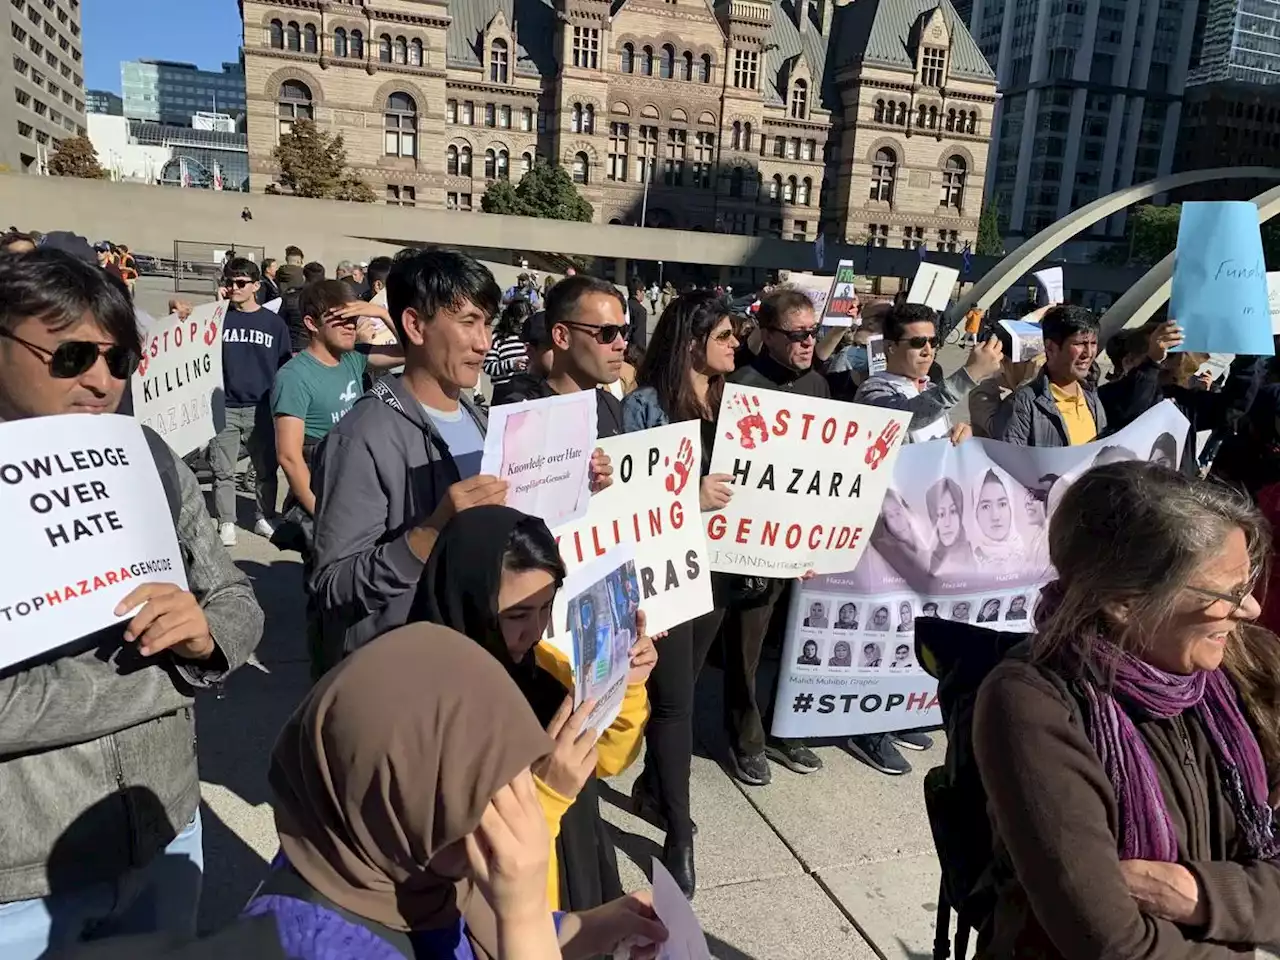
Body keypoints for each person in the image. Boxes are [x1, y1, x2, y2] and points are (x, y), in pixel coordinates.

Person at [0, 250, 263, 958]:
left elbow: (236, 598)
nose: (100, 380)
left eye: (120, 362)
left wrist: (206, 638)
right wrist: (166, 680)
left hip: (166, 835)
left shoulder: (147, 455)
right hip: (21, 882)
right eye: (72, 356)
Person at [974, 462, 1280, 958]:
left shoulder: (1249, 666)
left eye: (1247, 586)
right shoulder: (1032, 702)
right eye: (1227, 594)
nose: (1250, 611)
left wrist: (1204, 896)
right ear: (1124, 602)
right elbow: (1113, 944)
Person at [243, 623, 666, 960]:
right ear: (397, 802)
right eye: (479, 797)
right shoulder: (318, 946)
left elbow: (475, 926)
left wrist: (599, 927)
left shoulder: (386, 857)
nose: (505, 814)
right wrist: (521, 916)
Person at [308, 249, 612, 666]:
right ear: (414, 325)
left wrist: (573, 483)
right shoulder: (362, 437)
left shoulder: (483, 422)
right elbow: (332, 587)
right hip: (407, 671)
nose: (483, 342)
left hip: (481, 660)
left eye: (487, 323)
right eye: (468, 322)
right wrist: (430, 532)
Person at [406, 506, 654, 914]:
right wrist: (546, 793)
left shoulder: (545, 667)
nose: (536, 630)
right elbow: (446, 859)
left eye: (546, 607)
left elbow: (608, 759)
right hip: (502, 914)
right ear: (469, 598)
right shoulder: (423, 703)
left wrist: (628, 686)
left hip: (573, 882)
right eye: (517, 615)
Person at [619, 291, 737, 895]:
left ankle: (652, 787)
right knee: (672, 704)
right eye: (723, 335)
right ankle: (679, 832)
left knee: (683, 688)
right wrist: (691, 499)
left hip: (722, 572)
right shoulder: (645, 407)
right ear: (692, 341)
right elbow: (629, 502)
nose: (735, 344)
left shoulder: (737, 407)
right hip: (668, 573)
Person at [717, 287, 832, 787]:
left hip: (801, 540)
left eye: (814, 333)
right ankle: (745, 739)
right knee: (746, 646)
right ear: (766, 334)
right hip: (752, 542)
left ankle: (785, 728)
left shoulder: (818, 385)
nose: (809, 342)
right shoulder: (741, 386)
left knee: (791, 642)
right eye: (798, 334)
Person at [271, 280, 405, 520]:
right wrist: (320, 512)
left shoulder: (354, 358)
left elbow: (411, 352)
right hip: (324, 490)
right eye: (339, 319)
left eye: (352, 318)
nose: (350, 326)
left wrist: (380, 313)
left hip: (355, 485)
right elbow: (289, 457)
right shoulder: (293, 377)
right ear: (312, 324)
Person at [208, 257, 292, 546]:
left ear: (256, 285)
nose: (234, 288)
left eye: (241, 283)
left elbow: (284, 367)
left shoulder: (274, 324)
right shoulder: (216, 319)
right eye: (229, 282)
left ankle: (262, 517)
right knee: (223, 471)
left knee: (266, 470)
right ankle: (226, 521)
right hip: (225, 406)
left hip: (261, 408)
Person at [493, 275, 628, 439]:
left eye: (624, 332)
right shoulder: (521, 415)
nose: (621, 344)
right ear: (562, 337)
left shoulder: (612, 406)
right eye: (608, 333)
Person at [854, 302, 1003, 444]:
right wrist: (970, 374)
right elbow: (906, 417)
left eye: (933, 342)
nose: (928, 351)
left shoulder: (930, 388)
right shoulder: (872, 390)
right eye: (917, 343)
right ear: (890, 347)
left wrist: (958, 434)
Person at [994, 305, 1107, 447]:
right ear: (1050, 347)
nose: (1088, 353)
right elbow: (1008, 462)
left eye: (1093, 343)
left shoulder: (1092, 399)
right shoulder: (1022, 405)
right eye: (1079, 344)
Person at [972, 469, 1026, 571]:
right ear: (975, 512)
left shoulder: (1030, 557)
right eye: (986, 507)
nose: (995, 516)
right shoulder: (968, 563)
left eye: (1002, 504)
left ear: (1011, 507)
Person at [927, 477, 975, 576]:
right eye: (941, 514)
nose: (947, 523)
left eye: (953, 512)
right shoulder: (928, 563)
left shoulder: (977, 557)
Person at [484, 297, 534, 389]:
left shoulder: (531, 335)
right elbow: (488, 367)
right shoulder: (497, 337)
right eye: (519, 324)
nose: (522, 328)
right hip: (504, 391)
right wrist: (511, 365)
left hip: (529, 390)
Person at [626, 279, 648, 351]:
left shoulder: (623, 305)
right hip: (633, 353)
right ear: (638, 292)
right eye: (644, 291)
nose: (644, 293)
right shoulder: (640, 310)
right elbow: (639, 337)